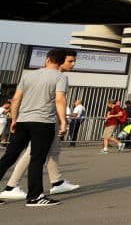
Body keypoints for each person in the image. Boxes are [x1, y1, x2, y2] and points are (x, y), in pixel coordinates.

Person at [0, 49, 80, 201]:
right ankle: (34, 196)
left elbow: (16, 99)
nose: (72, 64)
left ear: (48, 59)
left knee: (9, 156)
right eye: (70, 61)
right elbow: (60, 99)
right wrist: (63, 121)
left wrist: (15, 119)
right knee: (37, 158)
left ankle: (50, 183)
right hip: (43, 122)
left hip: (23, 121)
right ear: (62, 61)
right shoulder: (60, 77)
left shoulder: (29, 75)